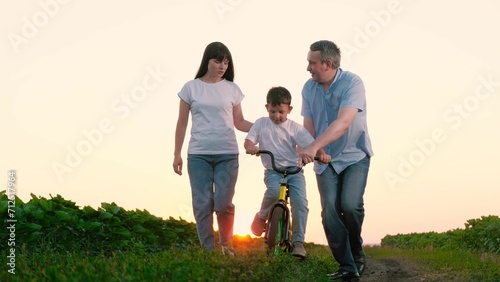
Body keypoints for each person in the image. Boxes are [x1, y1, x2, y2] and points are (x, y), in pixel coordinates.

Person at [299, 40, 374, 281]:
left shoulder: (353, 83)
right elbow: (308, 127)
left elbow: (343, 123)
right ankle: (347, 266)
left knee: (350, 206)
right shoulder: (308, 89)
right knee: (330, 211)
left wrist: (313, 146)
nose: (308, 68)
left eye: (312, 62)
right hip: (325, 158)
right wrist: (312, 149)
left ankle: (356, 250)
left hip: (354, 155)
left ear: (328, 64)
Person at [173, 41, 253, 255]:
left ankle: (226, 246)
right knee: (202, 204)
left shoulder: (232, 89)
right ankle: (208, 252)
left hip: (227, 154)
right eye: (218, 61)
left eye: (226, 62)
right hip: (198, 155)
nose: (222, 66)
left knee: (223, 204)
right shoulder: (191, 88)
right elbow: (182, 123)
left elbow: (240, 122)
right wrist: (176, 153)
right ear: (207, 61)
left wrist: (264, 127)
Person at [244, 86, 330, 258]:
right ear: (267, 107)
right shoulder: (261, 123)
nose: (277, 116)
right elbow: (249, 140)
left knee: (300, 203)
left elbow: (312, 144)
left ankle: (298, 242)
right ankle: (262, 216)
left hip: (294, 171)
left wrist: (322, 155)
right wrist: (251, 147)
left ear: (289, 110)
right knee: (274, 192)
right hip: (273, 170)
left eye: (281, 112)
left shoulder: (295, 128)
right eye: (273, 111)